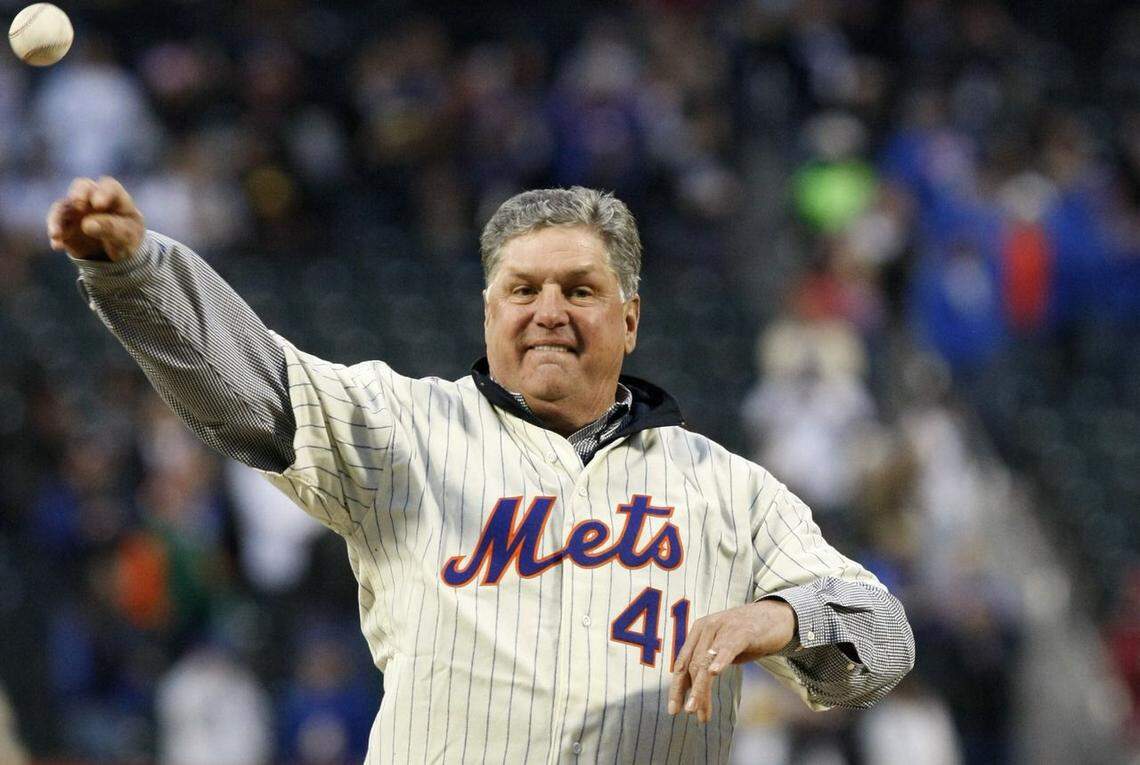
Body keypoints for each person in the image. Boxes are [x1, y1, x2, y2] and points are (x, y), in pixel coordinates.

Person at [47, 176, 914, 763]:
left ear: (631, 318)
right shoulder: (404, 429)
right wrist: (136, 273)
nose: (548, 312)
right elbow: (250, 387)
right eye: (522, 289)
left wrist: (778, 615)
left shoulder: (728, 488)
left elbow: (884, 636)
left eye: (579, 289)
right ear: (488, 309)